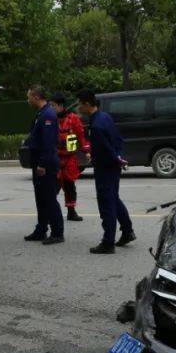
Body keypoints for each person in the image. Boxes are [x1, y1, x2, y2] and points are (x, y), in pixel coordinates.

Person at [76, 89, 134, 254]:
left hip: (105, 168)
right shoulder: (105, 117)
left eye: (80, 104)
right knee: (114, 199)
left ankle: (108, 242)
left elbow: (105, 149)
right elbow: (117, 140)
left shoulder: (96, 125)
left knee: (106, 204)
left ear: (87, 104)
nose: (79, 108)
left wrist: (105, 158)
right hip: (112, 166)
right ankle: (128, 231)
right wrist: (118, 158)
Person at [22, 85, 64, 245]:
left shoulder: (48, 115)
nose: (28, 101)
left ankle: (57, 232)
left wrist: (42, 164)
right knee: (41, 199)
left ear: (36, 97)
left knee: (49, 199)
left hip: (44, 164)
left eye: (29, 97)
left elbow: (48, 143)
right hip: (39, 162)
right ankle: (41, 229)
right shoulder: (42, 113)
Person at [50, 93, 89, 222]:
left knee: (69, 186)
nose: (51, 108)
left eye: (53, 105)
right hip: (55, 158)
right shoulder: (49, 120)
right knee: (52, 188)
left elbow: (81, 137)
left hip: (69, 159)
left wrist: (87, 151)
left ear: (61, 106)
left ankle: (71, 212)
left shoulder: (73, 119)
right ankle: (50, 212)